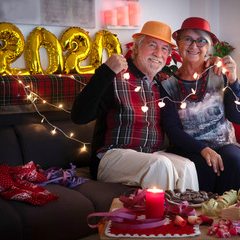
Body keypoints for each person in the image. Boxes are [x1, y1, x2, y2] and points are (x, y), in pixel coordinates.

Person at [71, 21, 199, 191]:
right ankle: (162, 217)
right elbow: (79, 116)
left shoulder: (161, 86)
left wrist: (210, 67)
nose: (158, 53)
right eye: (152, 45)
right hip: (111, 156)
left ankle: (186, 216)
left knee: (187, 167)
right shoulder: (116, 77)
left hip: (150, 155)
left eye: (164, 49)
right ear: (137, 48)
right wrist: (106, 71)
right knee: (160, 164)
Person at [161, 17, 240, 194]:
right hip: (188, 148)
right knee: (202, 166)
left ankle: (233, 215)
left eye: (201, 40)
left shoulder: (220, 74)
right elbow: (172, 130)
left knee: (234, 161)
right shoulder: (167, 86)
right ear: (178, 43)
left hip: (225, 144)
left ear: (209, 47)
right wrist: (202, 149)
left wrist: (233, 81)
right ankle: (202, 217)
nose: (194, 46)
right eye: (187, 39)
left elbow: (238, 117)